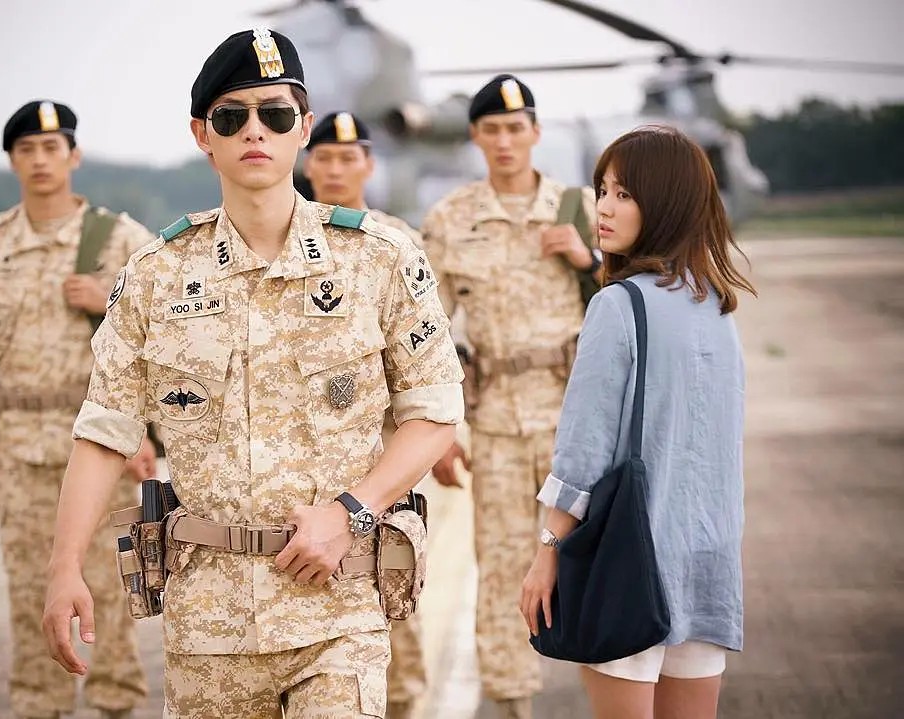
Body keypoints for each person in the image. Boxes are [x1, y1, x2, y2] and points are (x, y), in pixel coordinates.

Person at [41, 29, 463, 718]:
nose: (254, 131)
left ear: (304, 127)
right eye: (231, 116)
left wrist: (351, 511)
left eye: (275, 113)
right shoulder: (155, 276)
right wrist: (63, 569)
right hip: (209, 626)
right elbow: (103, 434)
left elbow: (435, 410)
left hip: (340, 609)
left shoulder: (379, 258)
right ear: (202, 135)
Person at [0, 100, 155, 719]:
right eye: (26, 150)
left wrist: (107, 301)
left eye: (52, 148)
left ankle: (115, 704)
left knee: (111, 588)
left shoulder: (123, 242)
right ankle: (39, 706)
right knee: (32, 589)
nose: (39, 161)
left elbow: (162, 351)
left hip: (106, 452)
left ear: (73, 156)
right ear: (12, 161)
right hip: (21, 453)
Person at [520, 125, 755, 719]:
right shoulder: (716, 305)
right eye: (602, 190)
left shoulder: (618, 305)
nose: (602, 207)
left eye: (624, 194)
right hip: (707, 563)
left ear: (666, 202)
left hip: (632, 560)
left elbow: (584, 448)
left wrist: (549, 549)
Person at [419, 73, 599, 718]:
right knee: (500, 568)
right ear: (475, 136)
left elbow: (636, 298)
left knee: (593, 564)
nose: (504, 141)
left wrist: (587, 259)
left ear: (535, 133)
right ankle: (512, 705)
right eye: (491, 130)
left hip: (577, 422)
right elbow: (425, 335)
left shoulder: (583, 209)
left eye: (515, 128)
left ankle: (615, 694)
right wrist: (437, 435)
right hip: (494, 423)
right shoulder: (451, 219)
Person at [304, 110, 429, 719]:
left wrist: (433, 437)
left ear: (369, 165)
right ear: (308, 164)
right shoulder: (290, 235)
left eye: (348, 158)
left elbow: (426, 352)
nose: (335, 169)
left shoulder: (396, 240)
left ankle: (403, 700)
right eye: (324, 157)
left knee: (390, 574)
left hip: (385, 448)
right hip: (314, 445)